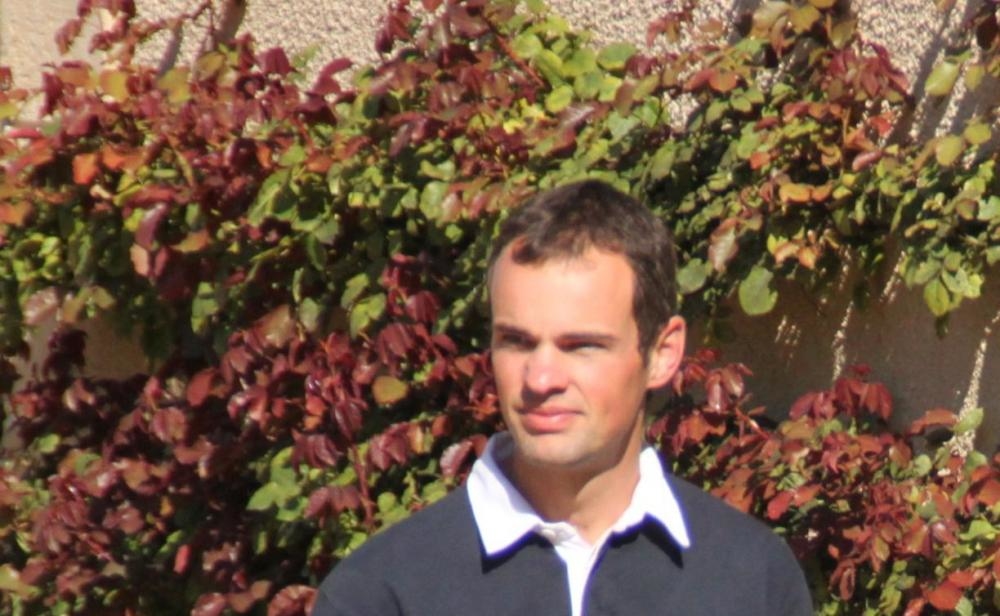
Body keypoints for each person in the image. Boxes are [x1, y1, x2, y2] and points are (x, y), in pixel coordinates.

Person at [313, 180, 813, 615]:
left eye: (582, 346)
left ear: (662, 354)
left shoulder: (750, 578)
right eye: (517, 342)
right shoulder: (382, 594)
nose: (541, 378)